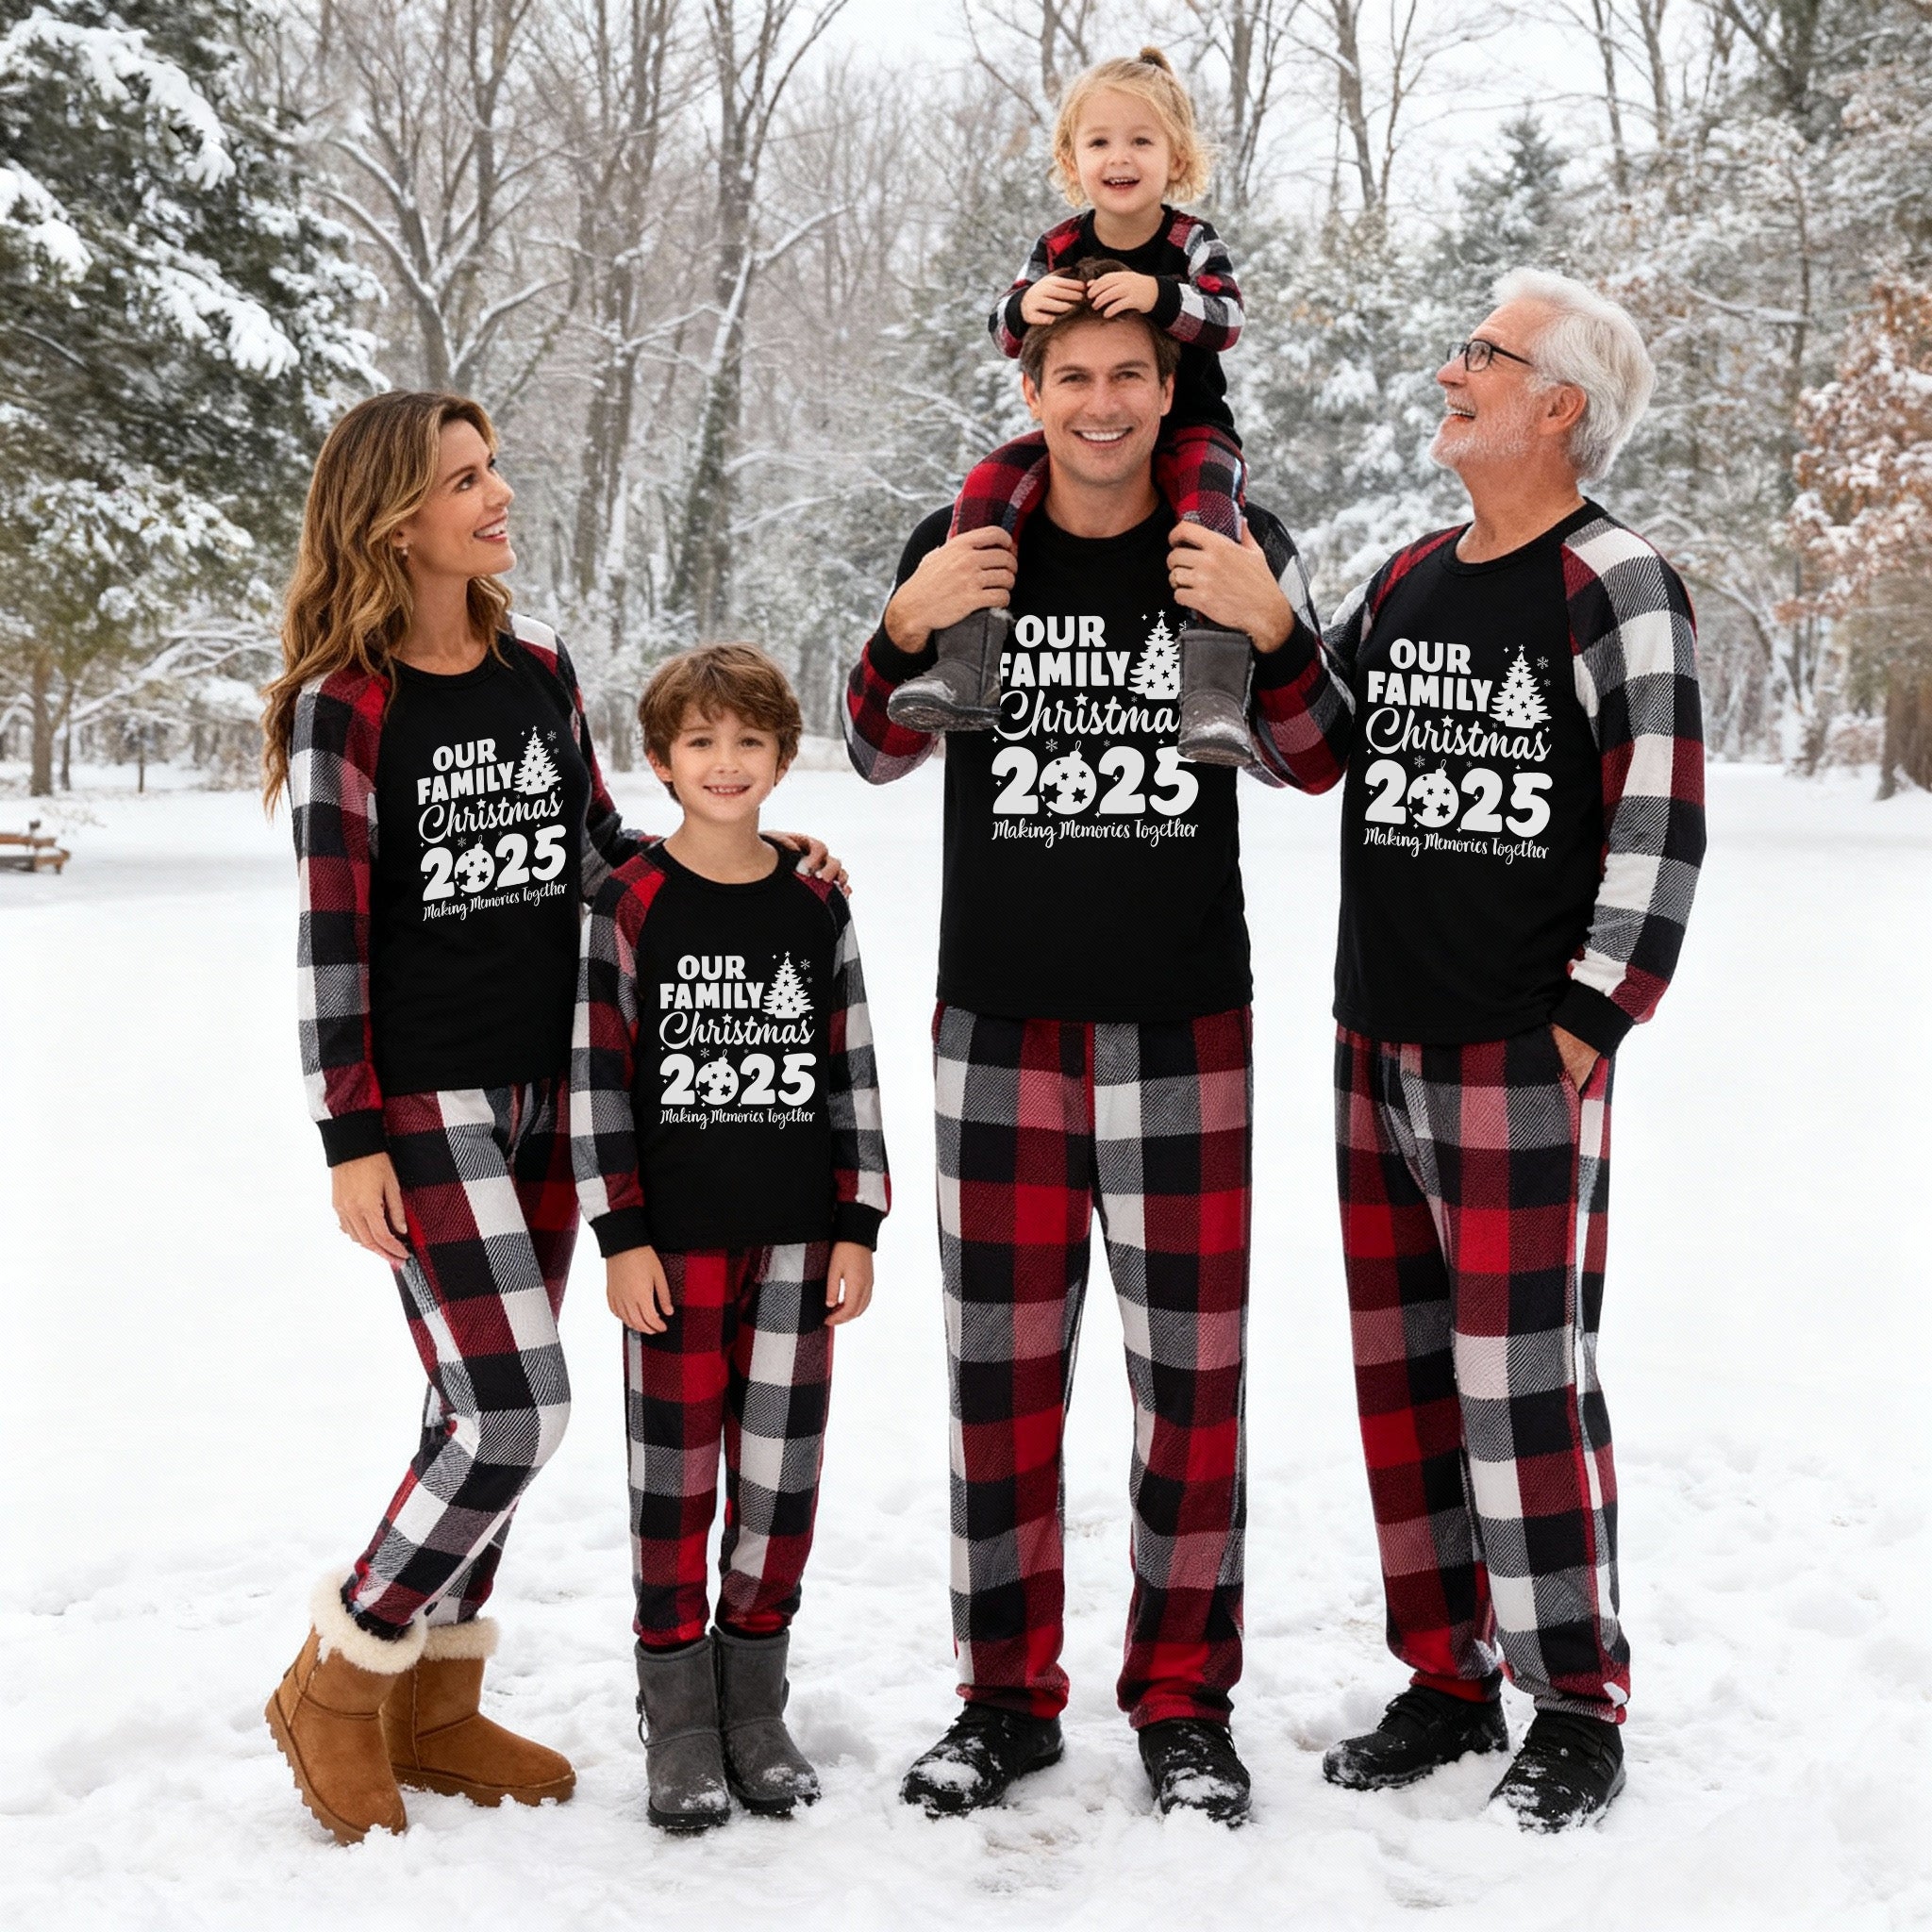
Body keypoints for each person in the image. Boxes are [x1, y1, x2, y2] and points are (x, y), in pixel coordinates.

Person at [258, 391, 840, 1846]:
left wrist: (740, 857)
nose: (497, 493)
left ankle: (438, 1703)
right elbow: (334, 931)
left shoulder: (536, 670)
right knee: (518, 1410)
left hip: (560, 1100)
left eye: (493, 466)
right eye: (467, 478)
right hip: (426, 1101)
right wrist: (351, 1136)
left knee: (471, 1406)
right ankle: (339, 1677)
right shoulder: (352, 702)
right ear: (399, 517)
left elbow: (595, 857)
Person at [845, 276, 1321, 1825]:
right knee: (999, 1380)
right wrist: (898, 626)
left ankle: (1182, 1700)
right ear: (1032, 388)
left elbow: (1316, 761)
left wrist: (1278, 630)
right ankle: (1004, 1697)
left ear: (1167, 388)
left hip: (1183, 1019)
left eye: (1132, 375)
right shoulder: (963, 543)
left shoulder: (1228, 546)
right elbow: (873, 743)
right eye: (1076, 377)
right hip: (997, 1024)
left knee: (1189, 1386)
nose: (1104, 403)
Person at [1248, 269, 1707, 1830]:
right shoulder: (1407, 574)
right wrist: (1267, 629)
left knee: (1519, 1381)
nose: (1448, 371)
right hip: (1371, 1037)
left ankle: (1573, 1695)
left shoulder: (1615, 582)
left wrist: (1586, 1023)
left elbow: (1656, 823)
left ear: (1556, 406)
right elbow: (1313, 752)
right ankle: (1447, 1674)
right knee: (1405, 1376)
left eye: (1480, 356)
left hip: (1521, 1050)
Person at [571, 644, 890, 1832]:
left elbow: (851, 1065)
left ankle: (753, 1698)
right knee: (673, 1479)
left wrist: (858, 1218)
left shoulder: (816, 899)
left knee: (777, 1475)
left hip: (799, 1242)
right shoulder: (630, 904)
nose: (723, 762)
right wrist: (622, 1232)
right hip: (674, 1248)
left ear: (780, 758)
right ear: (658, 762)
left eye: (746, 742)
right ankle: (681, 1716)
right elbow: (598, 1077)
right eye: (698, 742)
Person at [887, 48, 1258, 767]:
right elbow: (1002, 329)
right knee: (988, 483)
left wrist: (1158, 295)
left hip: (1188, 429)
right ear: (1071, 156)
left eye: (1141, 141)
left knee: (1211, 522)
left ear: (1176, 157)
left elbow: (1227, 321)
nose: (1120, 157)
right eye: (1100, 142)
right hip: (1077, 438)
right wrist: (1028, 304)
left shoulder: (1189, 241)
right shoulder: (1057, 244)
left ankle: (1212, 693)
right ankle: (968, 662)